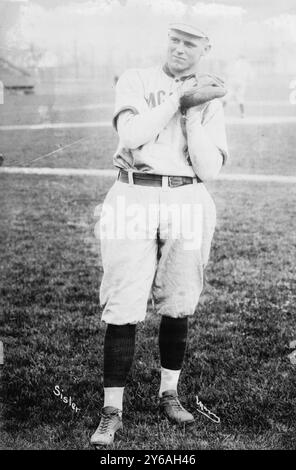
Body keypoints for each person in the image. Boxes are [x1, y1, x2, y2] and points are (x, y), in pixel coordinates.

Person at [91, 21, 229, 447]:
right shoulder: (137, 79)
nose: (179, 49)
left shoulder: (209, 97)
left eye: (190, 44)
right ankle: (111, 409)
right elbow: (131, 134)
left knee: (179, 297)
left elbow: (209, 169)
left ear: (204, 48)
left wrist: (190, 113)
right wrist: (176, 99)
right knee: (123, 301)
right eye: (174, 40)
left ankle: (169, 393)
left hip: (187, 195)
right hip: (132, 193)